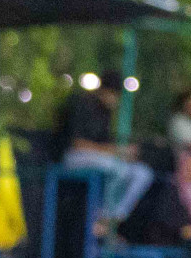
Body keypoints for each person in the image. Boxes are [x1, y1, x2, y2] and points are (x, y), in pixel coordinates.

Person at [55, 69, 154, 238]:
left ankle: (110, 220)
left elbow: (105, 145)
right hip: (72, 158)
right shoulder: (81, 104)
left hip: (99, 159)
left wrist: (124, 152)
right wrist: (115, 152)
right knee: (117, 168)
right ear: (106, 91)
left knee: (143, 173)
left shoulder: (106, 113)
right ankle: (101, 219)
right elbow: (78, 144)